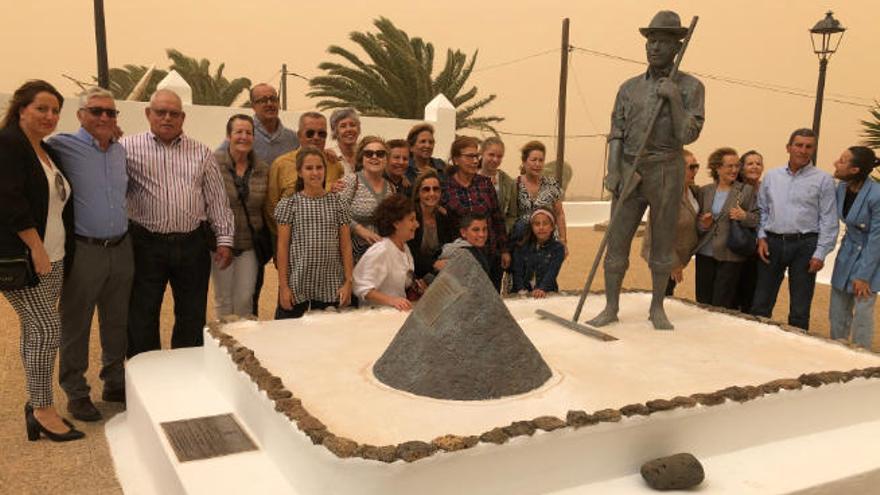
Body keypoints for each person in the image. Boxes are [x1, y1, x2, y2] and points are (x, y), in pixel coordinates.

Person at [589, 10, 705, 330]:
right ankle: (611, 306)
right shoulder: (628, 88)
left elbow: (688, 135)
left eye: (662, 41)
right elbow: (616, 132)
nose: (654, 47)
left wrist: (675, 101)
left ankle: (657, 307)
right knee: (617, 239)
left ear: (676, 47)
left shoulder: (691, 87)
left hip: (666, 168)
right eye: (650, 41)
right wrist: (613, 170)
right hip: (630, 167)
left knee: (662, 242)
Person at [0, 80, 83, 441]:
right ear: (21, 109)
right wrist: (35, 247)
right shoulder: (7, 145)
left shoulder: (48, 152)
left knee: (36, 330)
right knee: (49, 329)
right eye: (41, 109)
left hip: (56, 254)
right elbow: (9, 200)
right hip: (26, 257)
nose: (49, 116)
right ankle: (42, 408)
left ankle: (36, 401)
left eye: (54, 111)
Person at [123, 89, 235, 357]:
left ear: (183, 118)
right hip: (146, 244)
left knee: (192, 313)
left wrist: (225, 240)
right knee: (142, 313)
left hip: (191, 245)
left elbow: (217, 201)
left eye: (174, 113)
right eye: (160, 112)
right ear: (148, 114)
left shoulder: (202, 153)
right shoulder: (126, 149)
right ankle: (147, 377)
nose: (167, 118)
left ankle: (186, 374)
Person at [47, 87, 131, 422]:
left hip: (121, 248)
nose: (104, 118)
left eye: (111, 113)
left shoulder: (120, 152)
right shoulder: (60, 146)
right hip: (84, 250)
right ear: (81, 114)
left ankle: (114, 381)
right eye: (97, 111)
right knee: (76, 324)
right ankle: (76, 392)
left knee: (116, 321)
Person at [751, 128, 838, 331]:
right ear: (788, 147)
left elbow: (828, 219)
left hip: (805, 246)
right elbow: (762, 210)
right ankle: (753, 342)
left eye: (809, 146)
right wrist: (761, 237)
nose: (803, 150)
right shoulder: (772, 177)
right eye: (798, 145)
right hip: (772, 243)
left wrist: (821, 253)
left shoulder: (823, 180)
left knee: (800, 307)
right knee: (761, 302)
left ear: (813, 149)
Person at [275, 147, 353, 319]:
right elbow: (282, 247)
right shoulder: (289, 204)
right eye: (309, 168)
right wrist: (284, 287)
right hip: (298, 282)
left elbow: (346, 245)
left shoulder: (338, 203)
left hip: (330, 282)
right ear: (300, 172)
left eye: (319, 168)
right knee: (289, 335)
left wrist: (348, 281)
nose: (315, 172)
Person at [211, 115, 269, 318]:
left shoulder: (262, 169)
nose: (244, 137)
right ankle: (224, 344)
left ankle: (243, 344)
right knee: (223, 298)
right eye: (239, 132)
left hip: (249, 244)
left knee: (245, 297)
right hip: (220, 244)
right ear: (228, 135)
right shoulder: (213, 163)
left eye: (248, 132)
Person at [693, 147, 759, 309]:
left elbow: (757, 219)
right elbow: (697, 223)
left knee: (721, 304)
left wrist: (743, 216)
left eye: (737, 166)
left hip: (731, 255)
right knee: (702, 300)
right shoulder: (705, 191)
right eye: (730, 166)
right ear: (717, 168)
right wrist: (703, 224)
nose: (735, 170)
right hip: (705, 254)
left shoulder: (746, 191)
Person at [442, 136, 510, 290]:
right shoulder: (445, 187)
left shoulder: (485, 183)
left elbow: (497, 217)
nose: (475, 161)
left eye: (476, 156)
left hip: (490, 254)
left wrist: (504, 250)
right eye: (469, 156)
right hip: (461, 258)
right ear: (456, 159)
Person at [829, 146, 880, 349]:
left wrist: (864, 275)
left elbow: (878, 237)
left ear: (854, 169)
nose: (835, 163)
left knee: (863, 312)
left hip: (871, 257)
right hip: (847, 253)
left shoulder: (876, 194)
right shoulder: (841, 188)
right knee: (837, 310)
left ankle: (861, 357)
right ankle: (835, 349)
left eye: (842, 160)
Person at [266, 112, 344, 235]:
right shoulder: (281, 164)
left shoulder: (335, 164)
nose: (316, 137)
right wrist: (285, 236)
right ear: (299, 135)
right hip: (290, 240)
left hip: (327, 239)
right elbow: (271, 207)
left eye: (322, 134)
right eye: (310, 133)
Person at [640, 149, 700, 296]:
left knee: (669, 289)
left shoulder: (693, 191)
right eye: (691, 167)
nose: (695, 171)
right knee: (663, 292)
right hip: (663, 256)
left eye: (696, 166)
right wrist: (672, 262)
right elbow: (659, 232)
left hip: (680, 255)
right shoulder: (666, 194)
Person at [353, 194, 420, 311]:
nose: (417, 224)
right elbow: (360, 286)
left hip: (395, 313)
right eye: (411, 220)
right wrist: (391, 300)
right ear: (396, 223)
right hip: (375, 316)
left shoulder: (405, 248)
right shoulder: (381, 250)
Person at [340, 136, 396, 263]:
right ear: (362, 158)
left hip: (379, 257)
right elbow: (336, 212)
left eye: (380, 154)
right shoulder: (351, 182)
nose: (374, 157)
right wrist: (359, 229)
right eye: (369, 153)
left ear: (386, 159)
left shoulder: (391, 188)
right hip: (351, 255)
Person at [514, 141, 568, 253]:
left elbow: (559, 214)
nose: (537, 164)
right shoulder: (515, 185)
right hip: (523, 243)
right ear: (524, 162)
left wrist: (563, 241)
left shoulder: (552, 184)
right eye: (533, 160)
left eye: (541, 160)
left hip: (549, 243)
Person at [408, 170, 456, 280]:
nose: (432, 193)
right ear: (418, 193)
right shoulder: (410, 216)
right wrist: (433, 264)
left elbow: (448, 247)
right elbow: (409, 252)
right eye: (426, 189)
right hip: (412, 273)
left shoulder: (443, 217)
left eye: (436, 189)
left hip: (437, 274)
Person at [734, 150, 765, 312]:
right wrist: (748, 217)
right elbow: (733, 215)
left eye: (758, 163)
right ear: (742, 168)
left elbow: (768, 218)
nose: (755, 167)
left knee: (753, 294)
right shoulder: (736, 189)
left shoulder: (767, 189)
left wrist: (746, 216)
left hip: (761, 248)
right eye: (750, 163)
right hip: (738, 247)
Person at [512, 208, 565, 298]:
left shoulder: (558, 249)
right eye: (537, 224)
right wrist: (521, 290)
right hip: (523, 293)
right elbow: (517, 272)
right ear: (532, 227)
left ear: (552, 227)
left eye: (545, 224)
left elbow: (552, 272)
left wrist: (542, 289)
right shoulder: (521, 248)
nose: (541, 227)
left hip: (547, 291)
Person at [478, 136, 518, 234]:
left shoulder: (509, 183)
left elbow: (512, 215)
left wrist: (504, 231)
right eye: (491, 155)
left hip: (498, 235)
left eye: (499, 156)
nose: (495, 159)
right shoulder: (470, 178)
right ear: (482, 153)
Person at [438, 213, 493, 278]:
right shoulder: (463, 254)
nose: (482, 234)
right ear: (463, 232)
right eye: (475, 230)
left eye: (484, 229)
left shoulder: (476, 250)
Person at [329, 107, 360, 176]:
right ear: (335, 132)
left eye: (352, 125)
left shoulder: (366, 155)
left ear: (358, 129)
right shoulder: (330, 157)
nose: (349, 129)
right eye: (343, 126)